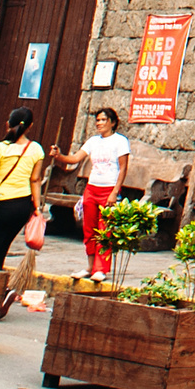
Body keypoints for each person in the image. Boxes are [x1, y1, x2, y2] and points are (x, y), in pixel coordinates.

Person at [58, 106, 131, 280]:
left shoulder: (120, 141)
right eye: (97, 120)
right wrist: (59, 156)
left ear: (113, 123)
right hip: (91, 188)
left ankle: (101, 269)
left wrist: (115, 192)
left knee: (104, 230)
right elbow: (75, 158)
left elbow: (123, 169)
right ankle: (90, 267)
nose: (99, 123)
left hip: (109, 189)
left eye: (103, 120)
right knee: (89, 229)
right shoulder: (93, 141)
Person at [0, 108, 45, 275]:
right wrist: (37, 208)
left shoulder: (0, 148)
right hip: (22, 206)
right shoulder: (36, 149)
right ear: (30, 126)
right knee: (2, 248)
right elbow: (35, 180)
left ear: (8, 124)